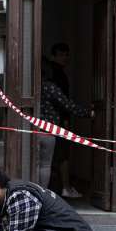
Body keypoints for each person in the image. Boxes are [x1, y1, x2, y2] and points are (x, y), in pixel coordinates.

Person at [42, 43, 91, 198]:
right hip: (51, 128)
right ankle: (53, 192)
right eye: (62, 54)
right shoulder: (51, 85)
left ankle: (38, 193)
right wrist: (88, 113)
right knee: (51, 161)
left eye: (66, 54)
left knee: (40, 163)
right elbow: (66, 104)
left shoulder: (33, 87)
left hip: (34, 127)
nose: (66, 58)